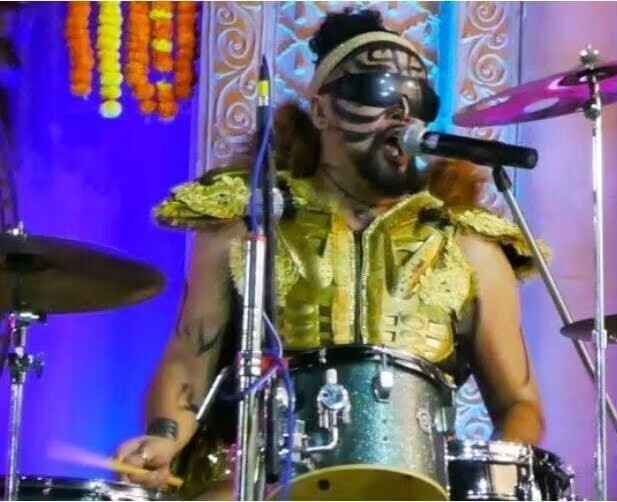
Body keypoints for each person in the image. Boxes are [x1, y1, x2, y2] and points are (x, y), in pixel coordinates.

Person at [111, 8, 546, 501]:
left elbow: (519, 402)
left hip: (414, 487)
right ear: (320, 112)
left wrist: (495, 482)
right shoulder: (249, 222)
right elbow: (188, 357)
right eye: (379, 91)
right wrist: (164, 437)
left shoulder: (468, 244)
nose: (403, 114)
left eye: (419, 98)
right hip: (269, 480)